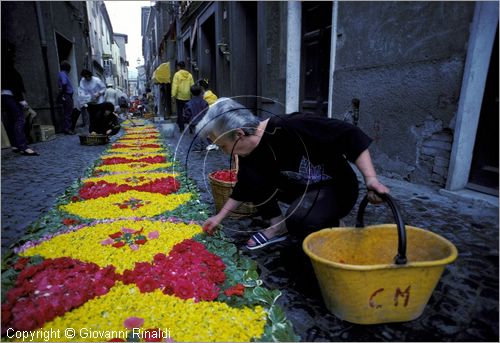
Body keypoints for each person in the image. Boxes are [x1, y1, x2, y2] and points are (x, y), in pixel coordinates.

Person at [197, 98, 390, 251]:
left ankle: (334, 222)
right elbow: (245, 186)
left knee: (300, 219)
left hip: (336, 187)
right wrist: (219, 217)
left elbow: (350, 135)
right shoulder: (248, 151)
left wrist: (371, 179)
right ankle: (277, 226)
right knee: (253, 178)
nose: (224, 152)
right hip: (301, 189)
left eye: (223, 146)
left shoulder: (293, 126)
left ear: (239, 134)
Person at [1, 41, 39, 156]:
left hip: (5, 95)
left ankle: (16, 144)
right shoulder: (7, 65)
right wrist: (22, 101)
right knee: (19, 119)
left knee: (13, 119)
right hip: (10, 95)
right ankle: (23, 146)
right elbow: (13, 83)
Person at [171, 61, 194, 132]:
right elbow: (192, 85)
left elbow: (175, 85)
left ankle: (181, 128)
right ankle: (191, 127)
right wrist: (193, 95)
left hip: (179, 97)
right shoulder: (189, 75)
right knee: (189, 112)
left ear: (178, 67)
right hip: (188, 96)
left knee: (180, 112)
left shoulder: (177, 75)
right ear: (184, 67)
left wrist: (173, 95)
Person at [57, 60, 75, 135]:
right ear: (67, 68)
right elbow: (64, 83)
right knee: (68, 113)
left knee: (67, 112)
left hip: (66, 95)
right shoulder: (63, 74)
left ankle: (67, 128)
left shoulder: (61, 74)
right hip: (67, 95)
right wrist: (63, 92)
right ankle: (67, 129)